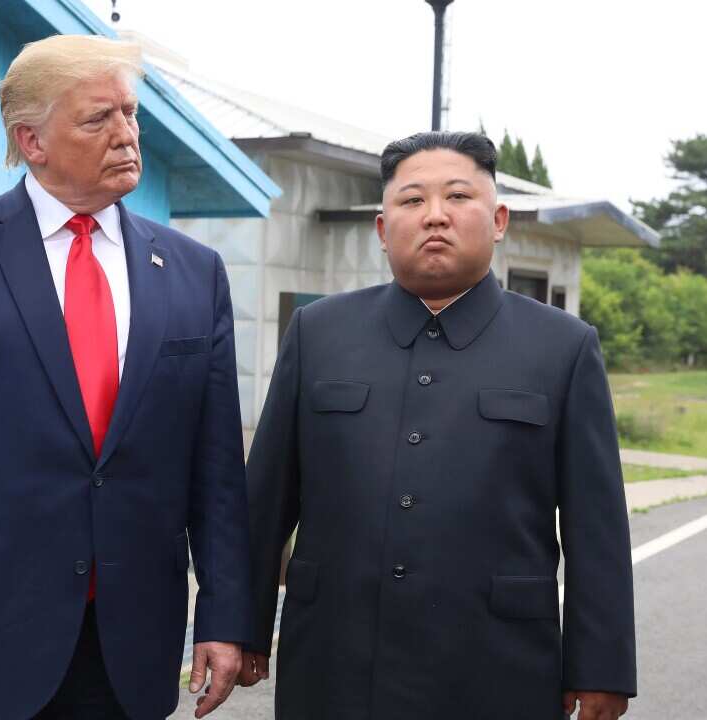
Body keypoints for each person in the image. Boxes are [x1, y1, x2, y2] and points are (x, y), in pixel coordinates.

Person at [0, 35, 250, 720]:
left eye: (132, 114)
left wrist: (225, 615)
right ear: (31, 140)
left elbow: (215, 469)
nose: (127, 135)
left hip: (133, 643)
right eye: (100, 118)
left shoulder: (192, 270)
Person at [238, 131, 636, 719]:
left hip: (497, 668)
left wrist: (601, 666)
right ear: (381, 228)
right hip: (334, 663)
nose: (435, 217)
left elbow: (596, 525)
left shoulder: (563, 348)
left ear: (498, 219)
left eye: (458, 197)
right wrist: (240, 626)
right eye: (412, 201)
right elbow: (266, 499)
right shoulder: (320, 333)